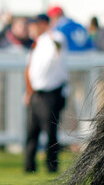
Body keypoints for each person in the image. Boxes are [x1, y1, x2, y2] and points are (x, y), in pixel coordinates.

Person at [23, 13, 68, 173]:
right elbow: (30, 68)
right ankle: (29, 166)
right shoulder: (38, 42)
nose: (31, 27)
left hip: (51, 93)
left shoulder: (55, 37)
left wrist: (49, 32)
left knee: (50, 133)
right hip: (36, 93)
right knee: (31, 132)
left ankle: (51, 166)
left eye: (34, 24)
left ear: (42, 24)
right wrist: (28, 91)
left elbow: (57, 48)